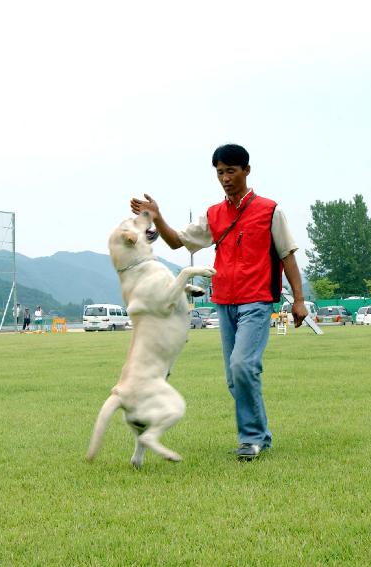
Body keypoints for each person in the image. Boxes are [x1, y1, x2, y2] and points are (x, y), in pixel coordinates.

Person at [130, 143, 308, 461]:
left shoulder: (270, 211)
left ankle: (250, 438)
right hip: (224, 300)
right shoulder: (213, 215)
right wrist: (158, 217)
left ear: (246, 171)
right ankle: (261, 435)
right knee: (234, 375)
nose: (225, 178)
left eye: (231, 171)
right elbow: (176, 242)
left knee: (243, 365)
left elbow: (288, 255)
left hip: (257, 300)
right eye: (220, 172)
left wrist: (299, 299)